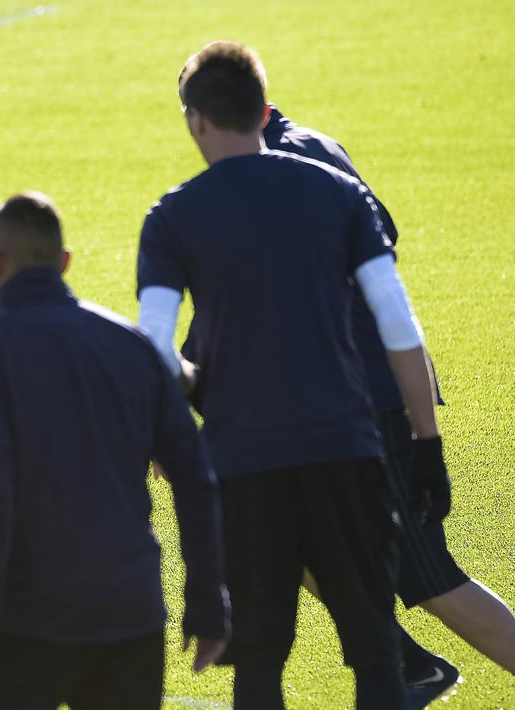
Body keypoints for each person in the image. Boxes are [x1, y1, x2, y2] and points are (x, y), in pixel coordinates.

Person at [137, 41, 451, 709]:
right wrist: (426, 443)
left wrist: (195, 392)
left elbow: (153, 351)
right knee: (373, 653)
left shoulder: (172, 216)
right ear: (261, 109)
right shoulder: (336, 193)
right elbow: (397, 327)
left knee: (258, 664)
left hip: (245, 465)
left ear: (196, 120)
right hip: (347, 452)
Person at [181, 102, 515, 703]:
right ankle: (407, 664)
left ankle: (405, 665)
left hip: (366, 399)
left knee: (428, 576)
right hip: (341, 397)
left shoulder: (284, 164)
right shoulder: (306, 149)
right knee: (291, 536)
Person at [0, 192, 230, 710]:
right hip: (132, 613)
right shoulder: (133, 346)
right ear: (64, 262)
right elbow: (194, 475)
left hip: (33, 621)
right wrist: (208, 602)